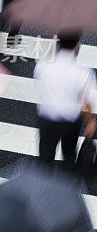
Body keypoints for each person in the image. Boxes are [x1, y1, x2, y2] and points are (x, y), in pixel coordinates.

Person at [33, 35, 96, 171]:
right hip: (70, 122)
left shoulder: (42, 65)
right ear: (76, 46)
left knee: (45, 157)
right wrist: (90, 121)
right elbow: (87, 101)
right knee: (69, 155)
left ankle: (42, 187)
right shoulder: (83, 73)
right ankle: (66, 187)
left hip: (46, 118)